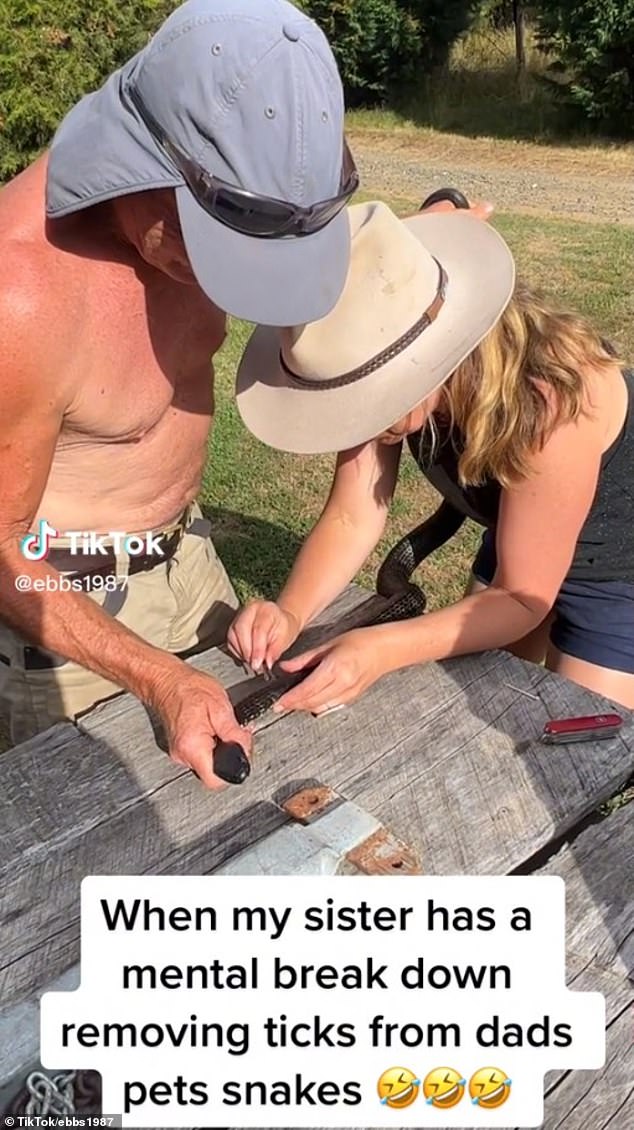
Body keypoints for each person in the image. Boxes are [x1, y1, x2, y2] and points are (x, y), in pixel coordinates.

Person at [0, 0, 357, 783]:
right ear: (138, 162)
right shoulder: (20, 294)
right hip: (66, 611)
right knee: (96, 861)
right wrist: (157, 675)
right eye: (210, 246)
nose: (223, 276)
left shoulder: (220, 207)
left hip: (190, 559)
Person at [229, 199, 634, 712]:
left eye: (365, 396)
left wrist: (379, 649)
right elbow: (353, 515)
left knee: (586, 739)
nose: (357, 417)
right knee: (491, 697)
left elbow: (522, 598)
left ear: (421, 362)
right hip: (525, 537)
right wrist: (289, 613)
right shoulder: (370, 354)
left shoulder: (551, 400)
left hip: (619, 566)